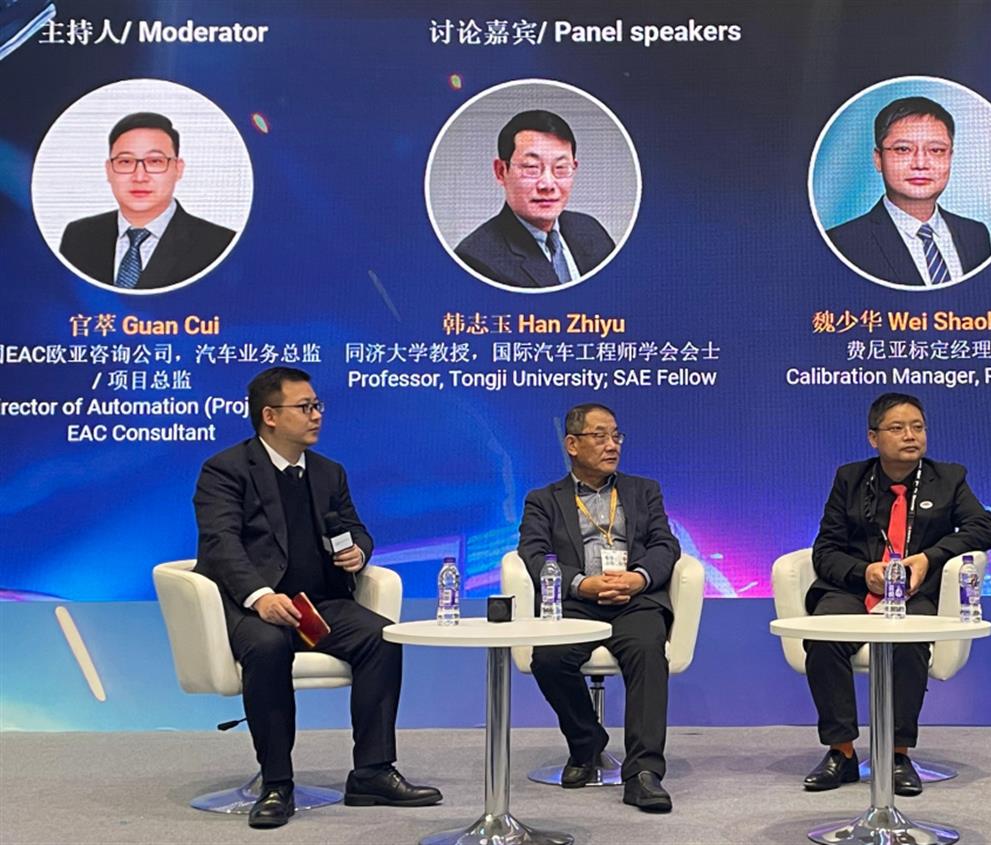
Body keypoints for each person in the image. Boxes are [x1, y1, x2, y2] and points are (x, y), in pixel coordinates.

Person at [193, 367, 441, 829]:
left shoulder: (328, 472)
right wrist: (260, 596)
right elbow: (220, 544)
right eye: (304, 407)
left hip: (319, 605)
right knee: (268, 647)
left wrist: (358, 551)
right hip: (255, 608)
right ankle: (276, 783)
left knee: (381, 637)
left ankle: (372, 771)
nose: (316, 415)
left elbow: (357, 529)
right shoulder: (226, 470)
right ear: (270, 416)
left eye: (317, 406)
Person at [801, 393, 991, 795]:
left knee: (910, 643)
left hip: (915, 591)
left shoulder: (949, 478)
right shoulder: (849, 479)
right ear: (873, 438)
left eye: (918, 427)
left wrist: (930, 557)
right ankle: (841, 751)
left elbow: (985, 528)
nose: (911, 436)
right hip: (854, 588)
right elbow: (825, 550)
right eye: (897, 428)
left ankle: (897, 753)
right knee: (823, 637)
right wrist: (864, 572)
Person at [518, 403, 679, 812]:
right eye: (600, 436)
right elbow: (533, 553)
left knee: (647, 652)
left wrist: (639, 577)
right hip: (576, 602)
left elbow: (665, 545)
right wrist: (581, 583)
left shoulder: (643, 490)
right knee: (549, 659)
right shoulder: (543, 500)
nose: (612, 445)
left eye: (616, 436)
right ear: (572, 445)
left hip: (634, 601)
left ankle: (644, 774)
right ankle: (586, 742)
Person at [826, 97, 991, 287]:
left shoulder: (975, 235)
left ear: (950, 157)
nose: (920, 164)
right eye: (903, 149)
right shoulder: (843, 243)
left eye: (936, 150)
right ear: (878, 159)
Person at [59, 112, 236, 289]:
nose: (139, 177)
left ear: (178, 169)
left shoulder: (219, 244)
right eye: (126, 162)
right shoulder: (78, 237)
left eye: (155, 161)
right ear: (109, 170)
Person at [455, 110, 616, 288]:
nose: (547, 184)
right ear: (501, 171)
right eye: (531, 167)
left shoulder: (591, 231)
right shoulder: (477, 260)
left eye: (561, 167)